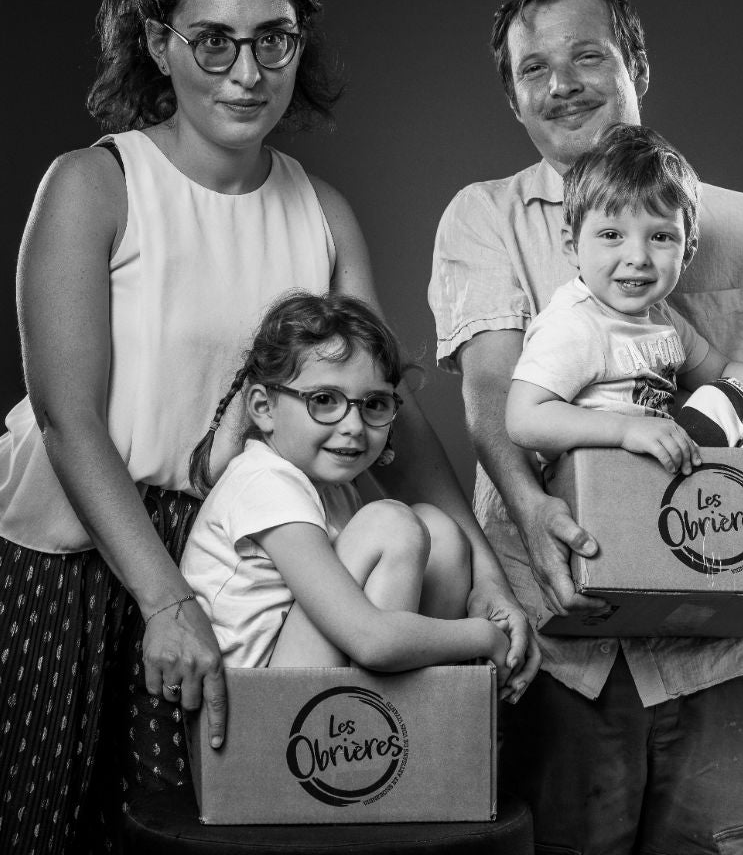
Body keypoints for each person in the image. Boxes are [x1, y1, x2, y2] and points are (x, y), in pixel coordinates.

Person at [0, 0, 534, 855]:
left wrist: (488, 584)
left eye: (273, 39)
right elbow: (69, 422)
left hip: (231, 558)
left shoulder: (322, 211)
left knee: (190, 834)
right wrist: (162, 604)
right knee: (0, 831)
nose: (246, 70)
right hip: (52, 557)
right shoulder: (94, 185)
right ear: (158, 44)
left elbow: (392, 415)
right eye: (213, 40)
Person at [428, 0, 743, 853]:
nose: (562, 85)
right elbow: (494, 401)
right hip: (564, 639)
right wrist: (540, 517)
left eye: (587, 56)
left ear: (635, 64)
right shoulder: (485, 217)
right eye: (534, 70)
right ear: (515, 100)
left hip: (721, 638)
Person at [181, 291, 520, 683]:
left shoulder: (330, 486)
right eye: (324, 399)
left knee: (437, 527)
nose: (354, 427)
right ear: (263, 407)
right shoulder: (264, 483)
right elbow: (369, 640)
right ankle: (397, 714)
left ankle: (428, 707)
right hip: (261, 717)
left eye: (374, 404)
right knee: (390, 523)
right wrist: (482, 636)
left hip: (311, 695)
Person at [506, 124, 743, 467]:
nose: (637, 257)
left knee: (736, 398)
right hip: (597, 478)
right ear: (573, 247)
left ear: (687, 252)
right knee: (733, 396)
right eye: (612, 234)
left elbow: (723, 370)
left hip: (662, 478)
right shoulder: (574, 323)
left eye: (660, 238)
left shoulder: (662, 319)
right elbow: (524, 419)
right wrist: (625, 431)